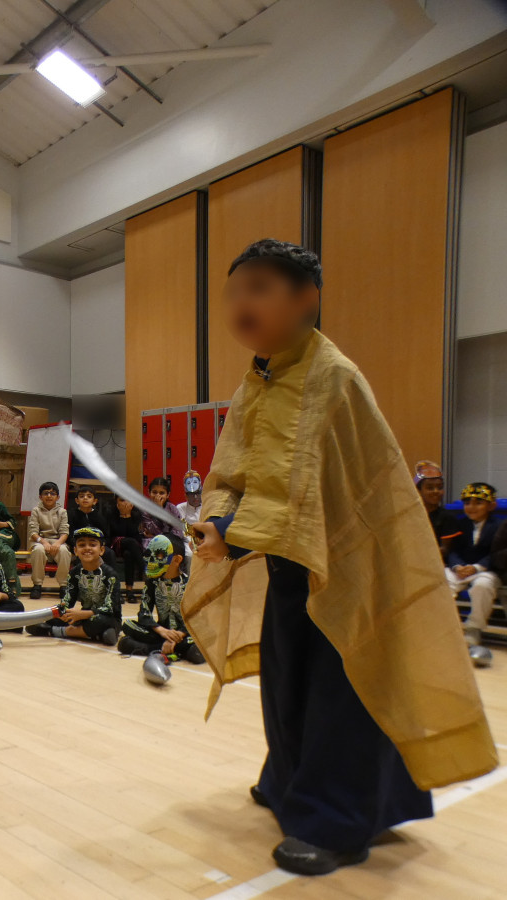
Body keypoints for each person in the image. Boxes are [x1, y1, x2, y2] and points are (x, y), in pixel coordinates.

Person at [186, 239, 494, 877]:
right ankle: (291, 782)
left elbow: (303, 495)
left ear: (307, 298)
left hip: (350, 567)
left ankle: (339, 822)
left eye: (259, 288)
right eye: (233, 292)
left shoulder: (334, 378)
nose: (241, 304)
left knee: (341, 694)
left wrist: (233, 530)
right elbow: (230, 474)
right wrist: (216, 520)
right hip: (289, 565)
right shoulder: (255, 382)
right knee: (287, 683)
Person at [26, 527, 122, 644]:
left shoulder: (110, 574)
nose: (87, 548)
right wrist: (62, 612)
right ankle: (98, 635)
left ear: (101, 550)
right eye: (82, 545)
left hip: (105, 618)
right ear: (75, 551)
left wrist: (84, 614)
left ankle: (55, 631)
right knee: (53, 617)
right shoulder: (74, 572)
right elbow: (68, 600)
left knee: (99, 621)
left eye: (92, 545)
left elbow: (111, 608)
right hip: (82, 617)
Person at [118, 535, 203, 663]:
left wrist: (180, 634)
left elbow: (196, 618)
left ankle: (154, 648)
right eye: (150, 553)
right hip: (162, 632)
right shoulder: (152, 582)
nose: (152, 559)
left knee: (201, 639)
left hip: (185, 634)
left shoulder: (190, 584)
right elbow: (144, 613)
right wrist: (161, 630)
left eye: (159, 555)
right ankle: (173, 649)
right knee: (128, 625)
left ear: (177, 560)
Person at [446, 482, 501, 647]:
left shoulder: (499, 526)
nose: (471, 507)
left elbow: (497, 553)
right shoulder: (460, 524)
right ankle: (445, 624)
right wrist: (458, 567)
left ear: (491, 506)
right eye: (467, 503)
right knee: (442, 582)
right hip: (460, 568)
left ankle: (474, 628)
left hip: (486, 570)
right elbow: (452, 550)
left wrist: (476, 567)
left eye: (478, 503)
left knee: (482, 586)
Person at [27, 481, 70, 599]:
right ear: (40, 497)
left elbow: (65, 532)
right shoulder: (36, 510)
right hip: (40, 541)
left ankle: (64, 586)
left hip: (57, 541)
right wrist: (44, 542)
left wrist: (58, 543)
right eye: (46, 493)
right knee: (38, 550)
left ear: (58, 497)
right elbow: (33, 532)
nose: (49, 496)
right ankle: (37, 585)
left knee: (64, 551)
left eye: (52, 493)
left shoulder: (62, 512)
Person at [414, 461, 460, 558]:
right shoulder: (410, 516)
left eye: (440, 487)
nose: (436, 491)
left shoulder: (447, 517)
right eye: (430, 488)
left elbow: (444, 550)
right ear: (418, 491)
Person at [108, 494, 145, 599]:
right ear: (117, 502)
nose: (125, 503)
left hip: (131, 547)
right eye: (122, 500)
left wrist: (128, 515)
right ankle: (145, 569)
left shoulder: (136, 515)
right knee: (131, 542)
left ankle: (129, 590)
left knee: (129, 554)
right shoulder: (110, 513)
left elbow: (134, 534)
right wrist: (122, 515)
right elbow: (118, 532)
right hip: (115, 545)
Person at [139, 476, 182, 547]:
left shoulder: (172, 509)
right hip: (150, 541)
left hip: (169, 541)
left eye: (161, 493)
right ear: (149, 492)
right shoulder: (145, 508)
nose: (157, 496)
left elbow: (178, 532)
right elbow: (151, 530)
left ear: (168, 495)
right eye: (154, 492)